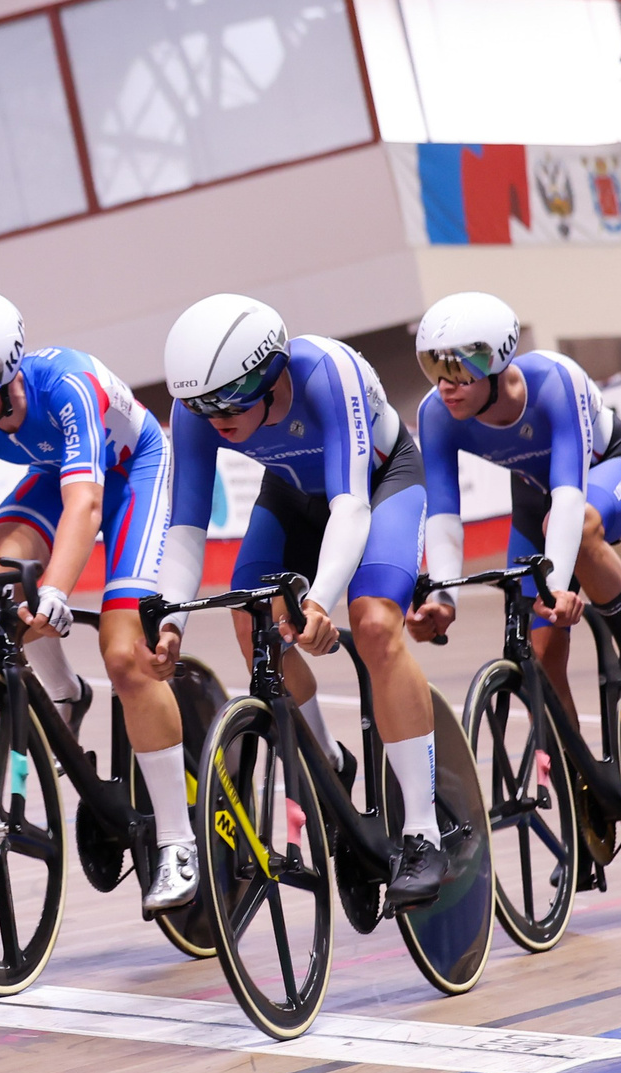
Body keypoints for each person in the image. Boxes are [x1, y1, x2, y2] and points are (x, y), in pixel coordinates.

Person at [0, 292, 199, 910]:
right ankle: (65, 694)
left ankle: (179, 841)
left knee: (124, 654)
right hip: (58, 474)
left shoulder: (67, 387)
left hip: (135, 474)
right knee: (0, 579)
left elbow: (88, 506)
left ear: (3, 373)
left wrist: (56, 592)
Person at [154, 293, 447, 907]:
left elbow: (351, 506)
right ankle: (323, 761)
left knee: (371, 626)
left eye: (225, 402)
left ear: (266, 373)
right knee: (249, 619)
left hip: (378, 484)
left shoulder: (324, 373)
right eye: (197, 405)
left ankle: (423, 832)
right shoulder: (197, 412)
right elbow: (185, 527)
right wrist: (170, 617)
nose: (213, 419)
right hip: (290, 494)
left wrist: (320, 602)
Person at [404, 292, 621, 731]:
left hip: (607, 471)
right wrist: (444, 598)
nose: (444, 384)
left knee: (576, 529)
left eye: (457, 369)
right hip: (535, 498)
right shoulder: (438, 414)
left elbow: (569, 496)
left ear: (496, 364)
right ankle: (577, 778)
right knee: (539, 657)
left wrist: (557, 586)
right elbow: (444, 514)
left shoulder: (556, 380)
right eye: (433, 367)